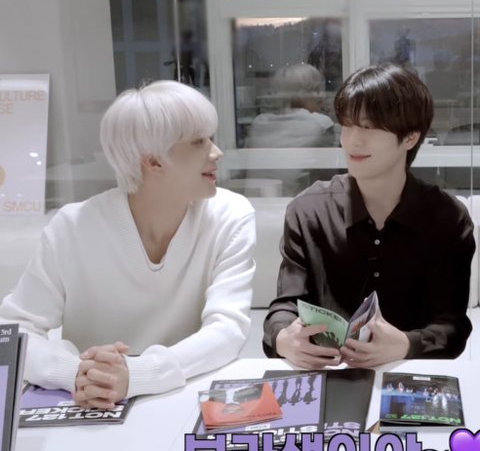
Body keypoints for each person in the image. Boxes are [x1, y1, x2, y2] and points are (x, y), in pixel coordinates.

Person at [0, 80, 256, 409]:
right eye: (198, 142)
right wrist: (74, 372)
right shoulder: (73, 227)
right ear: (154, 162)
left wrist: (136, 375)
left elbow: (228, 330)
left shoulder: (230, 216)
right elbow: (14, 328)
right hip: (91, 408)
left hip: (184, 402)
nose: (216, 152)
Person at [263, 63, 474, 369]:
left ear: (410, 137)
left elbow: (452, 326)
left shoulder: (446, 217)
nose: (353, 140)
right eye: (347, 125)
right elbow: (285, 306)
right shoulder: (309, 210)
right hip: (328, 374)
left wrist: (407, 344)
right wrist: (284, 338)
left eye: (369, 127)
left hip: (407, 373)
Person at [245, 63, 336, 196]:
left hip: (255, 201)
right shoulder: (321, 123)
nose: (321, 96)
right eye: (316, 89)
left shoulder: (258, 122)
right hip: (295, 203)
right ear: (302, 94)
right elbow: (329, 179)